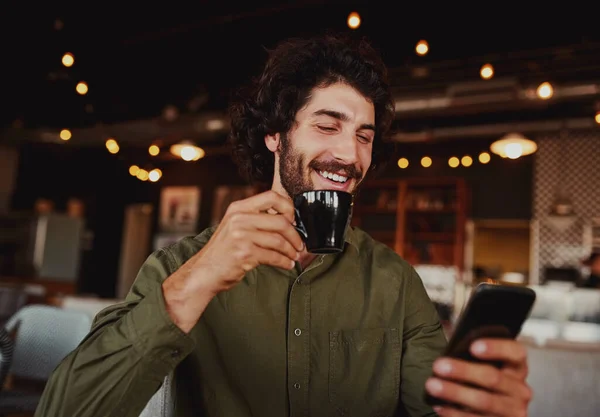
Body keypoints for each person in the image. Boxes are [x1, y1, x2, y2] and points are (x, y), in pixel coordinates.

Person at [35, 33, 532, 417]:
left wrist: (478, 402)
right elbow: (67, 408)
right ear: (275, 135)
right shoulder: (182, 266)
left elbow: (437, 406)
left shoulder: (395, 283)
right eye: (326, 125)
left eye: (364, 135)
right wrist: (194, 285)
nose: (349, 154)